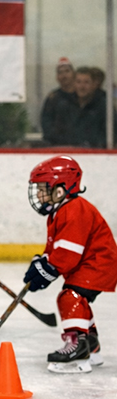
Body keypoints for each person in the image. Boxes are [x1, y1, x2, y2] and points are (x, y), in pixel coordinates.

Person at [23, 155, 117, 373]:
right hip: (91, 264)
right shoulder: (58, 212)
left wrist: (48, 270)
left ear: (60, 189)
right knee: (78, 299)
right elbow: (55, 251)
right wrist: (41, 264)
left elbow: (67, 254)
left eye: (42, 188)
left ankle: (77, 346)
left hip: (98, 264)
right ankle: (91, 346)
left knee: (70, 297)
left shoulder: (74, 209)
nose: (38, 193)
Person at [40, 57, 76, 144]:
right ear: (57, 77)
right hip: (56, 144)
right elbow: (46, 121)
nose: (64, 76)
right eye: (60, 72)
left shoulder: (81, 96)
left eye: (67, 71)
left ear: (74, 74)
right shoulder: (52, 98)